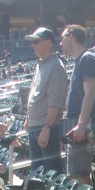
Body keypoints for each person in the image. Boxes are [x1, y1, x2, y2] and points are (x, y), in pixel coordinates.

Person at [61, 24, 95, 187]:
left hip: (83, 124)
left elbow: (90, 93)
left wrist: (81, 124)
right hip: (78, 123)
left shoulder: (87, 58)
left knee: (78, 176)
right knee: (78, 174)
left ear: (71, 36)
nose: (61, 42)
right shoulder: (80, 60)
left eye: (63, 37)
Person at [23, 26, 67, 174]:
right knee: (37, 172)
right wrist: (28, 117)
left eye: (37, 42)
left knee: (52, 173)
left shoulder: (56, 67)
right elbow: (34, 93)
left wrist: (47, 127)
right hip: (35, 126)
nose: (33, 46)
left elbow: (55, 102)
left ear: (48, 43)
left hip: (47, 127)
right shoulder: (40, 65)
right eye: (32, 43)